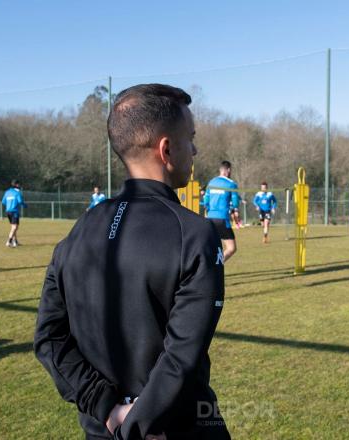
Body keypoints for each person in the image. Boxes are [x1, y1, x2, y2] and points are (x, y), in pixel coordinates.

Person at [34, 84, 230, 440]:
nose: (196, 149)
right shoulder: (194, 234)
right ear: (166, 149)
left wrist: (107, 407)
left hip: (103, 429)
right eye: (191, 137)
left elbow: (49, 337)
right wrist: (135, 423)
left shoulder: (76, 233)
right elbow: (182, 355)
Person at [204, 161, 240, 261]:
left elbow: (206, 200)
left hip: (210, 218)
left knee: (213, 247)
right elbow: (235, 202)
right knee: (231, 248)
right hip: (222, 219)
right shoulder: (231, 184)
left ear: (220, 170)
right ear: (228, 170)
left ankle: (211, 267)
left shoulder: (211, 182)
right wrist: (235, 211)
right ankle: (215, 267)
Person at [1, 179, 27, 247]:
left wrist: (9, 204)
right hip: (14, 211)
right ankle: (9, 241)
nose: (19, 185)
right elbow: (20, 201)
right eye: (19, 184)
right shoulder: (17, 193)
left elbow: (3, 202)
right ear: (16, 185)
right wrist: (25, 205)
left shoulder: (7, 192)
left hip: (8, 211)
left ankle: (15, 242)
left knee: (14, 227)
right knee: (15, 227)